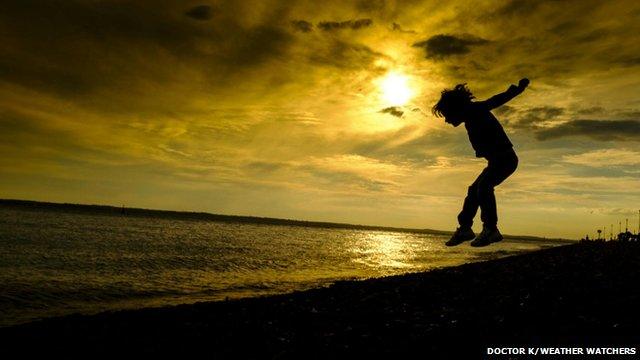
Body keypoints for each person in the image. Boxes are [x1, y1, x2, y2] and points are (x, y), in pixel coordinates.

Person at [432, 78, 529, 247]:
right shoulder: (470, 117)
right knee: (474, 190)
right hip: (496, 162)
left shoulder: (475, 110)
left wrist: (517, 90)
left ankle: (491, 229)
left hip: (505, 159)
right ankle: (465, 228)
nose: (446, 120)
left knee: (484, 187)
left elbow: (495, 100)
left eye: (447, 115)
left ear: (456, 109)